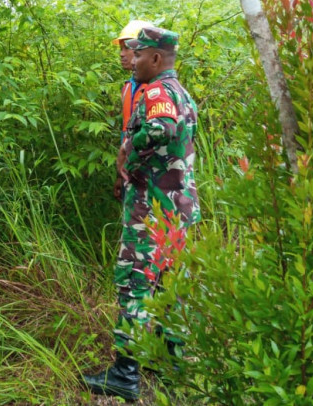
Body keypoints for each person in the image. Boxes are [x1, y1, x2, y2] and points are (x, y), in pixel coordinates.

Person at [83, 26, 200, 400]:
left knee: (134, 282)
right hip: (175, 210)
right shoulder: (181, 92)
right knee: (168, 285)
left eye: (138, 54)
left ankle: (125, 373)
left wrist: (128, 150)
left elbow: (161, 129)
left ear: (155, 58)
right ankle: (172, 363)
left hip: (151, 209)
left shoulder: (157, 91)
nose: (131, 61)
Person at [114, 20, 154, 199]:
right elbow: (126, 132)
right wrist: (120, 174)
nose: (122, 54)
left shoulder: (157, 89)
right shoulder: (128, 87)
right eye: (120, 49)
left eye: (127, 48)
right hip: (129, 170)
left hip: (151, 176)